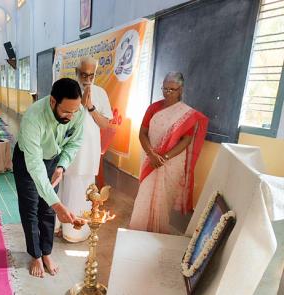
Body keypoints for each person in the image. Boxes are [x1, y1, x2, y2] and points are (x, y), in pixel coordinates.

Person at [13, 78, 86, 278]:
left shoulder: (78, 113)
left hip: (54, 160)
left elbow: (75, 142)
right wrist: (58, 204)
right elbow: (35, 166)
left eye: (75, 111)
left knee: (47, 210)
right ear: (53, 102)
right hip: (28, 160)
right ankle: (35, 255)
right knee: (31, 208)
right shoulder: (33, 118)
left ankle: (46, 253)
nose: (71, 116)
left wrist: (62, 165)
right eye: (66, 111)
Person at [129, 72, 208, 234]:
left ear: (181, 89)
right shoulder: (153, 108)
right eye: (164, 89)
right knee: (145, 194)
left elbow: (186, 140)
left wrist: (164, 157)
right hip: (150, 159)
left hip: (170, 162)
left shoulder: (187, 114)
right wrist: (152, 155)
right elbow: (142, 133)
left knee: (163, 200)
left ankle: (158, 232)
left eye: (172, 89)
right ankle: (137, 231)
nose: (167, 93)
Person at [57, 57, 113, 242]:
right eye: (83, 74)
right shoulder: (67, 91)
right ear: (76, 72)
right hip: (69, 150)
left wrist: (90, 107)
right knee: (68, 186)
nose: (87, 79)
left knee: (86, 188)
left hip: (89, 150)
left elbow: (105, 124)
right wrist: (79, 105)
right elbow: (60, 120)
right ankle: (65, 227)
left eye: (91, 75)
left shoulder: (100, 93)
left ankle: (80, 230)